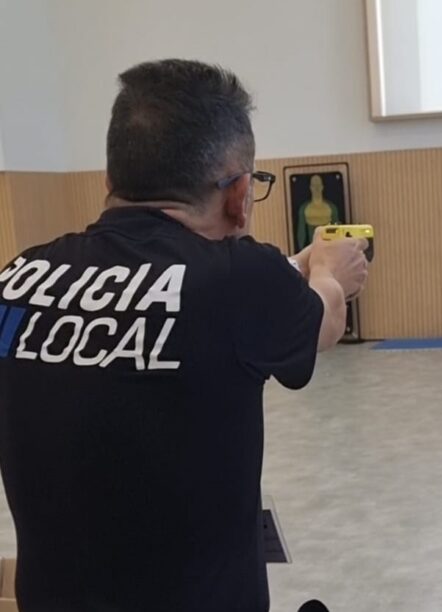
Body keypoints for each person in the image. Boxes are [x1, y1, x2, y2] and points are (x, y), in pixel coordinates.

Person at [0, 59, 367, 612]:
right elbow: (324, 317)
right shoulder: (241, 280)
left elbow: (180, 302)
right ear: (240, 195)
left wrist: (294, 268)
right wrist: (329, 269)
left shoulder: (18, 280)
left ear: (111, 179)